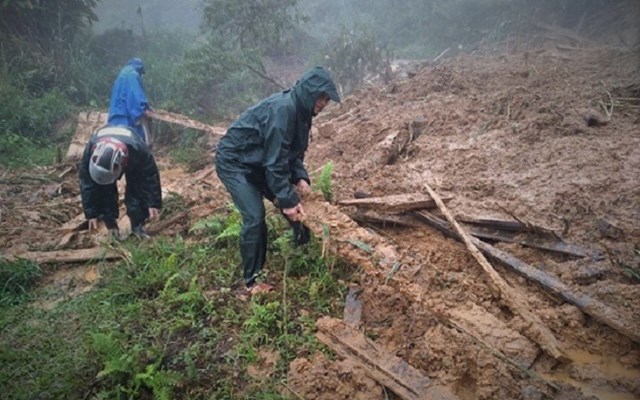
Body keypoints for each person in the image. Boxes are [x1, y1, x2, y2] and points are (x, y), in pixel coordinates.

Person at [215, 66, 340, 295]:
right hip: (236, 162)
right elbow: (275, 161)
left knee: (296, 200)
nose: (324, 103)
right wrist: (285, 199)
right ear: (309, 91)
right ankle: (252, 281)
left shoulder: (303, 113)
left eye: (327, 99)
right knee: (255, 215)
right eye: (321, 97)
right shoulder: (283, 109)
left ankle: (302, 254)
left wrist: (300, 178)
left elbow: (293, 152)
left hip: (260, 161)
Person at [79, 125, 162, 240]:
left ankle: (137, 225)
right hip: (110, 152)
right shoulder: (90, 151)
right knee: (104, 190)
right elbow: (87, 184)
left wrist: (153, 203)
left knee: (137, 187)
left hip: (132, 154)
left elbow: (150, 177)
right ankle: (111, 226)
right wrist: (91, 214)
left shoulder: (139, 150)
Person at [107, 58, 153, 143]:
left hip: (114, 119)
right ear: (139, 68)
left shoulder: (121, 75)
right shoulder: (133, 75)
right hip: (127, 119)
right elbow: (134, 96)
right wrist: (144, 109)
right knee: (139, 145)